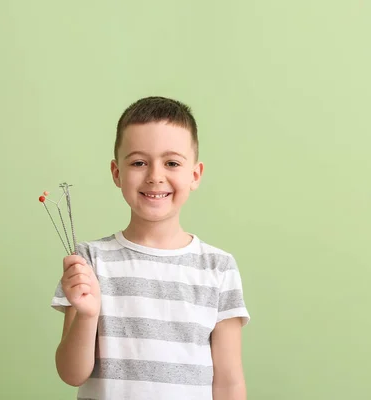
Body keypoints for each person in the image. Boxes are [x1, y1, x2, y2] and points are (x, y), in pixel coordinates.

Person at [51, 96, 250, 400]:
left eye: (171, 163)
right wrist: (88, 314)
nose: (155, 176)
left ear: (194, 175)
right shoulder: (90, 260)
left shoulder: (218, 268)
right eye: (139, 162)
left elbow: (229, 382)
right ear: (117, 173)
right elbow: (71, 373)